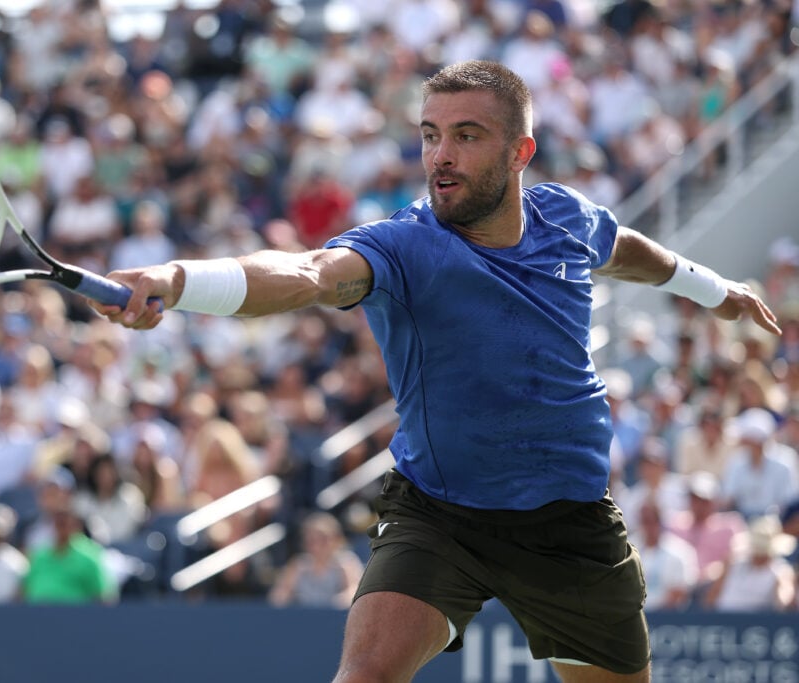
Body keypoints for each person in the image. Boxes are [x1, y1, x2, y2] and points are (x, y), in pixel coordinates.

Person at [90, 61, 781, 682]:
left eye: (467, 135)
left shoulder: (567, 218)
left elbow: (626, 249)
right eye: (429, 135)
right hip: (439, 514)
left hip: (570, 524)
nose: (440, 157)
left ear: (520, 153)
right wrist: (180, 279)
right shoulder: (402, 245)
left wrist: (713, 290)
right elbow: (306, 273)